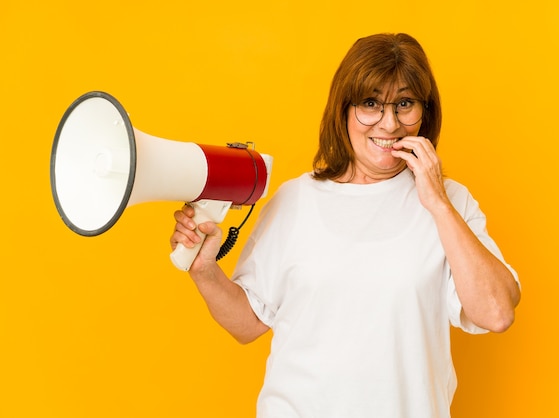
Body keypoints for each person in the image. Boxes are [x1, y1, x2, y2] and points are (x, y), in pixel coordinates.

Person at [170, 33, 521, 418]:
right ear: (343, 110)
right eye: (370, 103)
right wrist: (204, 270)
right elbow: (248, 324)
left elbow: (497, 313)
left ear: (425, 111)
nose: (389, 124)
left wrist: (436, 202)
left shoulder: (450, 201)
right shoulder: (295, 200)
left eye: (404, 104)